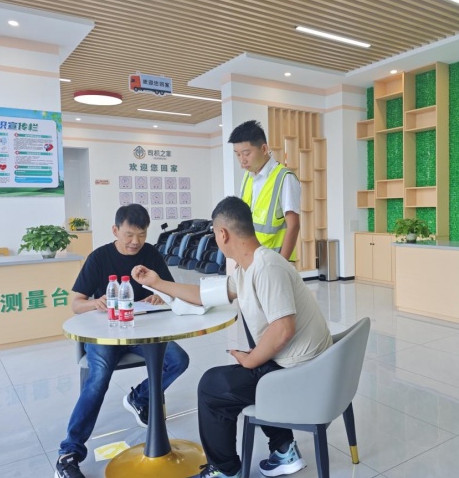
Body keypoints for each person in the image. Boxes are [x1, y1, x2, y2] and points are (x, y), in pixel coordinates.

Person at [131, 196, 332, 478]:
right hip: (299, 364)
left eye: (215, 233)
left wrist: (250, 361)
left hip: (302, 374)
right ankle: (284, 450)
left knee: (213, 386)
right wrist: (158, 283)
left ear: (222, 234)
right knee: (245, 369)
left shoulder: (267, 268)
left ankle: (225, 470)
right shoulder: (249, 267)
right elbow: (203, 296)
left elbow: (283, 330)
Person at [55, 204, 190, 478]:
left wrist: (160, 294)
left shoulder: (150, 254)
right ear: (115, 230)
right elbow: (76, 303)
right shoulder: (99, 258)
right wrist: (95, 303)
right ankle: (69, 453)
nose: (135, 242)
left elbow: (169, 289)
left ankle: (139, 397)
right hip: (106, 333)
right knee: (98, 379)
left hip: (142, 331)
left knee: (179, 360)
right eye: (129, 234)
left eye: (141, 234)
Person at [229, 120, 300, 261]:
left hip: (273, 261)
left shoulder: (284, 178)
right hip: (250, 259)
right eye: (237, 154)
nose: (242, 160)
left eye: (246, 153)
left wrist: (281, 265)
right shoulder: (247, 177)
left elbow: (293, 225)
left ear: (264, 149)